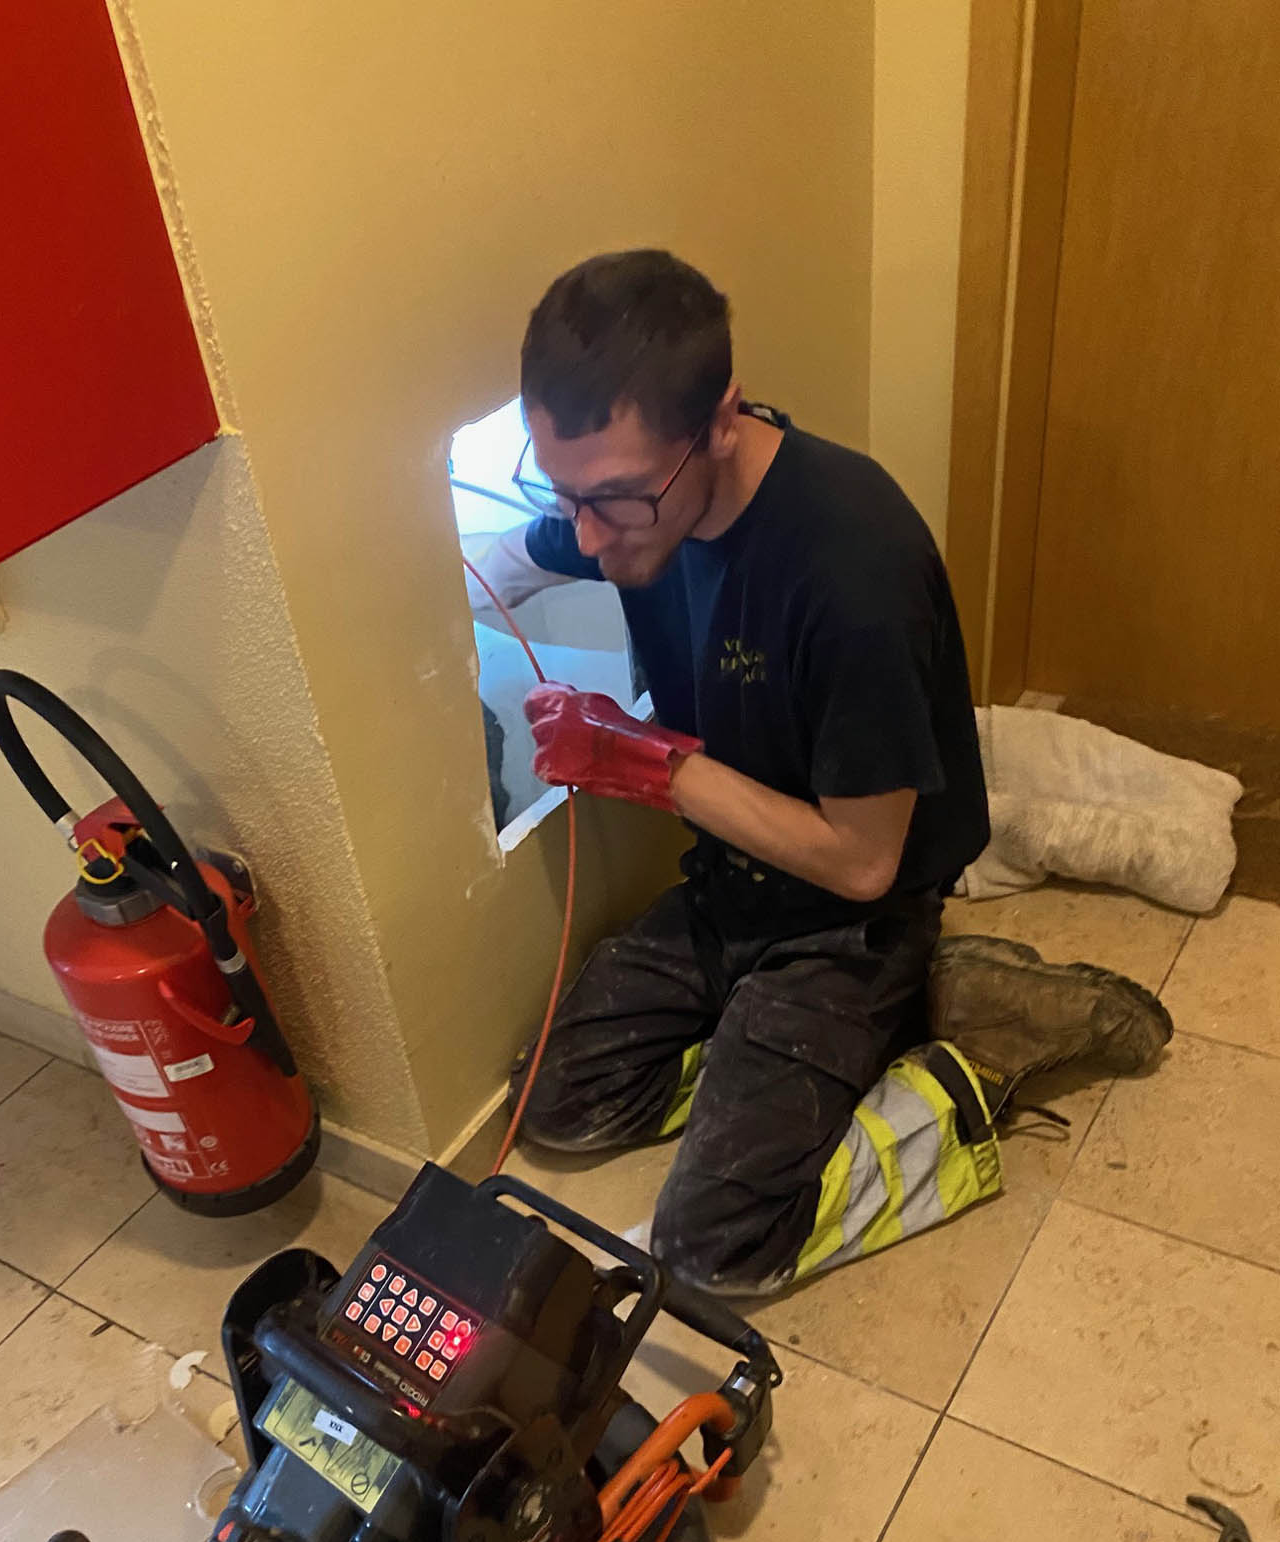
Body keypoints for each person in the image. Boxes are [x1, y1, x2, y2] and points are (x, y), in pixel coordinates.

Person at [468, 249, 1170, 1294]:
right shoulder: (640, 503)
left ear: (721, 421)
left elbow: (862, 862)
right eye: (563, 490)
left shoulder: (851, 570)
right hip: (731, 885)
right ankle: (786, 1059)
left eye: (612, 498)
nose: (589, 532)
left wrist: (647, 764)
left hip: (851, 921)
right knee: (557, 1105)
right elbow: (538, 547)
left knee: (713, 1245)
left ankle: (959, 1059)